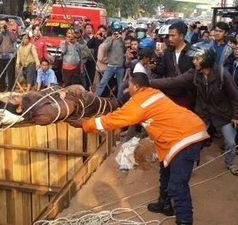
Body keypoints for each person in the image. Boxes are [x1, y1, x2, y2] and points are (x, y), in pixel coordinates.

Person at [71, 72, 209, 225]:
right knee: (165, 171)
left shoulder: (139, 103)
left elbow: (115, 119)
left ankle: (184, 221)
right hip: (180, 134)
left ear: (135, 86)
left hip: (185, 138)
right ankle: (164, 204)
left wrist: (85, 124)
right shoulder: (153, 92)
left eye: (128, 86)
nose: (127, 90)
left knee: (178, 185)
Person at [150, 43, 238, 176]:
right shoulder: (194, 73)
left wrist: (237, 116)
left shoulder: (223, 74)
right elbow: (173, 81)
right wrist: (148, 82)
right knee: (194, 142)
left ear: (207, 59)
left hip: (223, 113)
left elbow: (235, 96)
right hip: (203, 113)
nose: (194, 61)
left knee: (230, 142)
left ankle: (230, 163)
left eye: (197, 59)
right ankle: (190, 166)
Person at [153, 21, 194, 110]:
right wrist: (157, 60)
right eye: (169, 35)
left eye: (173, 35)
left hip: (186, 96)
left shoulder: (192, 53)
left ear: (181, 36)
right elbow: (161, 71)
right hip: (169, 95)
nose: (170, 39)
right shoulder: (168, 52)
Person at [96, 21, 125, 98]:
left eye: (118, 30)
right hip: (110, 66)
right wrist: (112, 39)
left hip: (120, 67)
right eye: (115, 30)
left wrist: (122, 40)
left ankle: (119, 101)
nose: (116, 32)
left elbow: (126, 50)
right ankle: (96, 98)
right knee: (102, 83)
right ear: (112, 30)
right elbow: (105, 49)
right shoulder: (109, 38)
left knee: (120, 86)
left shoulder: (123, 39)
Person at [0, 18, 18, 92]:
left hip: (10, 56)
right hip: (0, 56)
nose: (3, 25)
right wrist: (1, 32)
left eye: (4, 24)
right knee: (1, 73)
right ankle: (1, 88)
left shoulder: (11, 31)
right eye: (1, 24)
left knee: (11, 74)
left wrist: (8, 30)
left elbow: (13, 39)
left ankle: (11, 89)